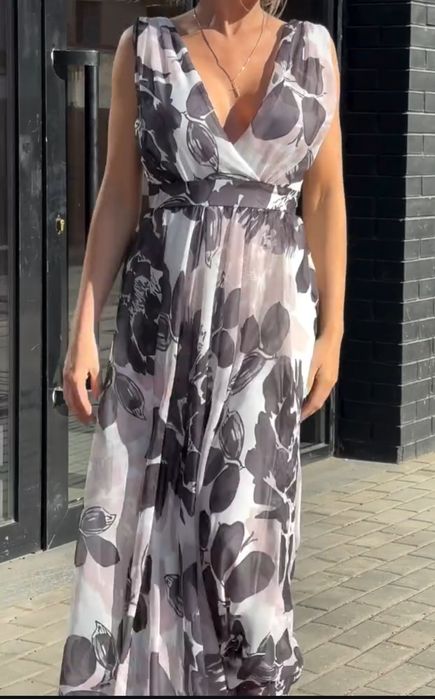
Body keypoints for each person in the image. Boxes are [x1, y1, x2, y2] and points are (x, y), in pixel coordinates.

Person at [59, 0, 346, 695]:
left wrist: (333, 330)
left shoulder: (312, 50)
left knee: (241, 533)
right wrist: (82, 328)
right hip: (159, 338)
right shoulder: (145, 49)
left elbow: (324, 196)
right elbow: (119, 194)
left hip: (265, 344)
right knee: (146, 523)